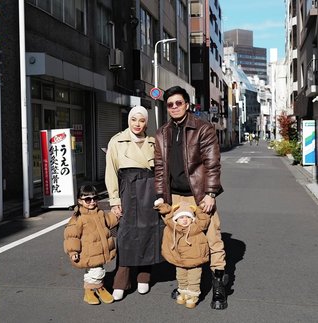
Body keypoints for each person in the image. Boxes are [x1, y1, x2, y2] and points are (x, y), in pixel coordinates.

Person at [154, 85, 228, 310]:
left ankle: (218, 286)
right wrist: (160, 195)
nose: (174, 107)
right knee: (178, 241)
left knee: (212, 239)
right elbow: (159, 168)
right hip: (175, 197)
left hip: (199, 196)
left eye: (178, 103)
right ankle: (185, 285)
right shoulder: (162, 133)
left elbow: (212, 163)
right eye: (170, 104)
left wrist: (211, 193)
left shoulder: (203, 128)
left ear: (187, 104)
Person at [104, 105, 163, 301]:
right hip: (127, 191)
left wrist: (162, 195)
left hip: (150, 191)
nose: (137, 124)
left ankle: (144, 277)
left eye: (142, 120)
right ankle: (121, 281)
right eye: (134, 119)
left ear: (146, 122)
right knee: (126, 235)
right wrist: (114, 200)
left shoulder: (154, 142)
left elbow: (161, 171)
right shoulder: (116, 141)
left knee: (148, 231)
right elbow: (110, 172)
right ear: (128, 120)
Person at [63, 185, 119, 305]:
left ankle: (91, 291)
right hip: (88, 252)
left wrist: (116, 215)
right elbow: (72, 236)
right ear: (79, 201)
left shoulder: (100, 213)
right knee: (97, 271)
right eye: (87, 199)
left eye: (95, 198)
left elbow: (109, 221)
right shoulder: (78, 218)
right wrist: (73, 252)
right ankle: (96, 289)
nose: (92, 202)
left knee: (94, 271)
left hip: (99, 251)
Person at [154, 199, 210, 309]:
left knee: (194, 278)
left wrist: (200, 209)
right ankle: (183, 291)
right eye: (181, 217)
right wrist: (161, 205)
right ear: (176, 219)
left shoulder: (196, 227)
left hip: (195, 260)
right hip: (179, 260)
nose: (185, 220)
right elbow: (167, 215)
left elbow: (204, 219)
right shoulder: (172, 226)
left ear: (192, 219)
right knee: (181, 276)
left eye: (188, 217)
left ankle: (193, 294)